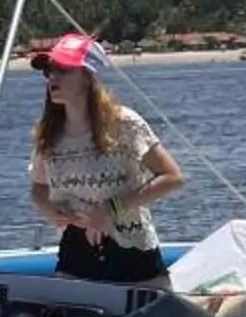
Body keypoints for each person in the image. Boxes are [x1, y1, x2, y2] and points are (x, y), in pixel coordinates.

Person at [29, 32, 185, 283]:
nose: (53, 78)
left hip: (131, 250)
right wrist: (50, 210)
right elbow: (38, 187)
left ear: (87, 77)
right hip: (75, 252)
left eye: (63, 70)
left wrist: (112, 211)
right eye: (49, 71)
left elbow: (172, 177)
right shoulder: (48, 133)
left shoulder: (124, 123)